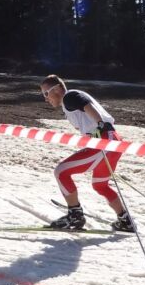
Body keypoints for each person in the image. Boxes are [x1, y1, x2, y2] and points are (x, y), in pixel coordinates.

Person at [40, 75, 134, 232]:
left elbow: (86, 105)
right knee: (100, 185)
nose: (45, 99)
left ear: (56, 89)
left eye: (45, 93)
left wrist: (101, 124)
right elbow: (86, 113)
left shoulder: (69, 97)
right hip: (112, 142)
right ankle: (125, 221)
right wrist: (99, 127)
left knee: (61, 172)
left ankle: (75, 216)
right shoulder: (68, 105)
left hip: (104, 142)